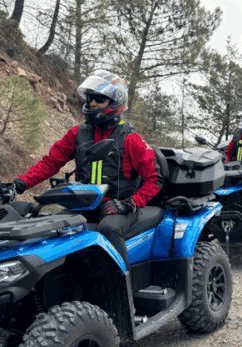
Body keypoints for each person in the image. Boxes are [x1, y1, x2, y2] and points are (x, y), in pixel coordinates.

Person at [9, 69, 162, 265]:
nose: (92, 104)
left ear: (115, 102)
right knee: (48, 226)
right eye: (90, 98)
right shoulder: (77, 133)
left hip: (118, 208)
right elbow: (50, 162)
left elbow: (155, 179)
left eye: (99, 99)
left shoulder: (130, 138)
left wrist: (130, 203)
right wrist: (19, 184)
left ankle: (120, 287)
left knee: (109, 229)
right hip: (84, 204)